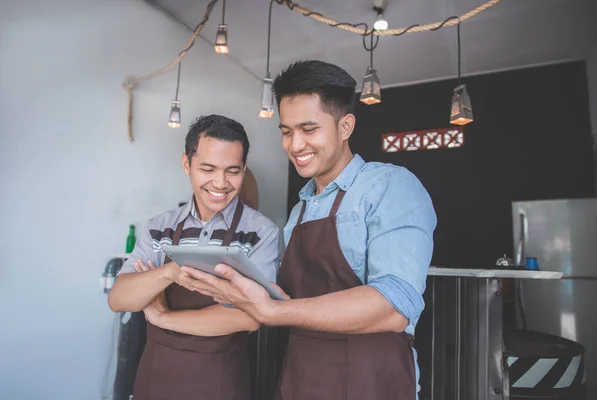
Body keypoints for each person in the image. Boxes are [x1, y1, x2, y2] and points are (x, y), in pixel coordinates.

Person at [181, 61, 437, 400]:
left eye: (308, 129)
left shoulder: (389, 185)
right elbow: (295, 298)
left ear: (345, 126)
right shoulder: (301, 208)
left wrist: (274, 311)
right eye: (286, 132)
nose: (295, 145)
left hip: (370, 384)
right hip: (302, 378)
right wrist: (238, 288)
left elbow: (395, 305)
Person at [108, 114, 280, 400]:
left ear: (244, 168)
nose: (221, 182)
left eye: (233, 171)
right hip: (155, 381)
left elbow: (249, 317)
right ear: (186, 164)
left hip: (220, 384)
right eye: (208, 169)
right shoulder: (159, 227)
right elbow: (119, 299)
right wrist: (168, 273)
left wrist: (163, 318)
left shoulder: (260, 232)